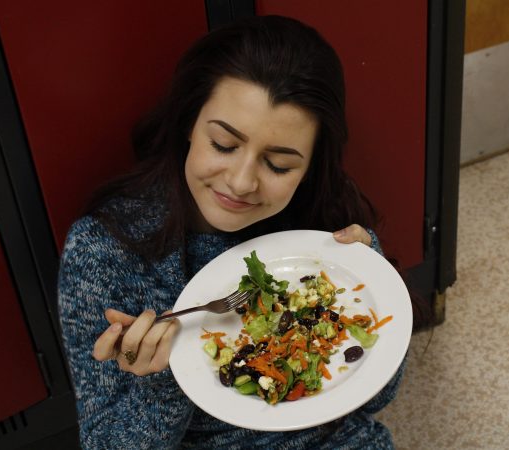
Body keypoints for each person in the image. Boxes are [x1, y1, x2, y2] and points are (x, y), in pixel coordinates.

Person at [58, 15, 416, 450]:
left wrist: (371, 278)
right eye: (223, 145)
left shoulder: (321, 235)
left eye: (279, 165)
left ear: (308, 168)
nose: (242, 182)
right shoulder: (104, 250)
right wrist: (163, 381)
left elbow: (376, 399)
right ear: (189, 123)